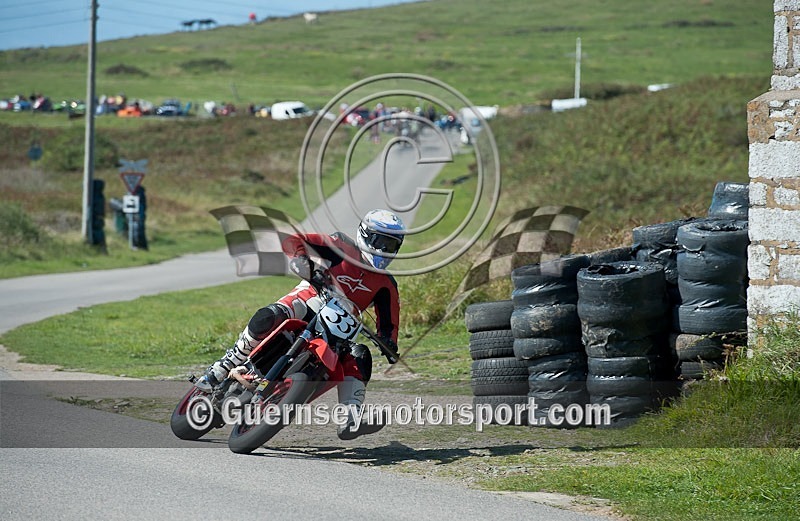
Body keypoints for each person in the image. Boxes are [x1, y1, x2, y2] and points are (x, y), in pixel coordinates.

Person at [196, 209, 405, 439]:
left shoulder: (386, 283)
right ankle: (224, 365)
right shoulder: (341, 246)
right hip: (309, 300)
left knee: (360, 356)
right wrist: (301, 259)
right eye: (381, 242)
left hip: (339, 331)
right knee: (270, 316)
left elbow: (389, 322)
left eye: (391, 245)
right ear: (365, 234)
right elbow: (294, 239)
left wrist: (389, 343)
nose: (384, 250)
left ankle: (350, 418)